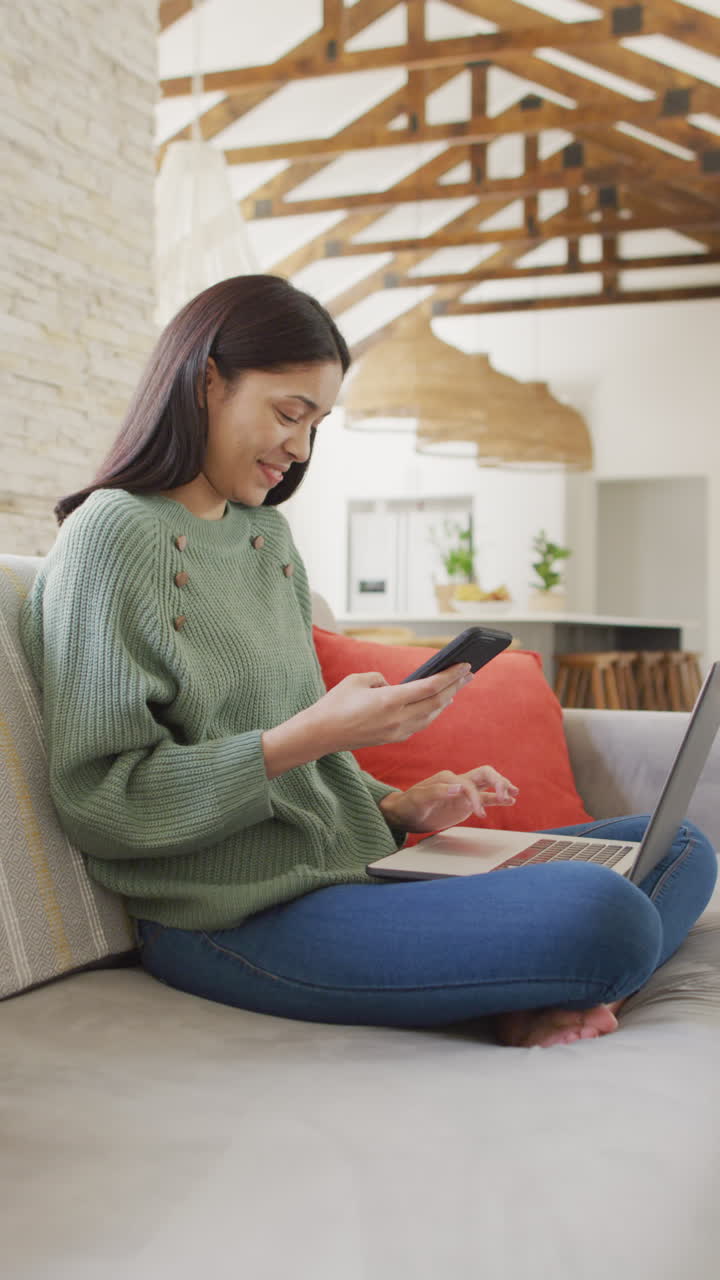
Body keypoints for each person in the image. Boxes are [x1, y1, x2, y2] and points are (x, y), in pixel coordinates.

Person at [19, 274, 717, 1050]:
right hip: (229, 919)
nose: (300, 448)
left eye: (317, 423)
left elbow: (301, 771)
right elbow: (103, 802)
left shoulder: (266, 540)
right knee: (607, 910)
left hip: (349, 878)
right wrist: (313, 735)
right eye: (290, 414)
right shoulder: (111, 537)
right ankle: (528, 983)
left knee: (679, 845)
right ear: (207, 378)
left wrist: (398, 808)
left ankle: (526, 986)